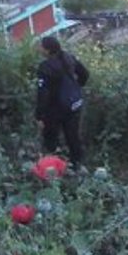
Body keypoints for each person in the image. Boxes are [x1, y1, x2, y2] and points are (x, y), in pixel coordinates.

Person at [35, 36, 90, 168]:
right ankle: (78, 165)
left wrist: (39, 116)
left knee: (51, 138)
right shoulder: (69, 57)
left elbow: (43, 94)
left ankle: (53, 167)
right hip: (74, 104)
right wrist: (76, 87)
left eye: (40, 46)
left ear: (47, 50)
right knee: (73, 137)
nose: (39, 48)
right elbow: (85, 74)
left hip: (55, 109)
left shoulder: (45, 67)